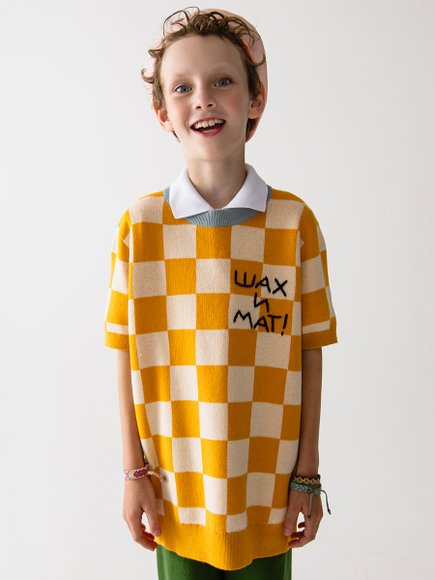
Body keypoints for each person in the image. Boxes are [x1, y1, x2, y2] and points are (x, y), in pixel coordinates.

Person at [103, 6, 338, 578]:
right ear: (163, 112)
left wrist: (307, 476)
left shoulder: (293, 223)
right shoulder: (140, 227)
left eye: (223, 81)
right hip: (175, 495)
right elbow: (125, 352)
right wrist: (134, 474)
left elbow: (310, 350)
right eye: (183, 87)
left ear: (255, 99)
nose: (203, 99)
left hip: (269, 497)